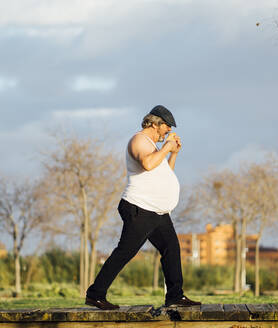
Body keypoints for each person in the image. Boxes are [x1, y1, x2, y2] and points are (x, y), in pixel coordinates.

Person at [85, 105, 201, 310]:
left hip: (156, 211)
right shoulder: (138, 140)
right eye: (167, 127)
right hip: (139, 208)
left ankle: (175, 296)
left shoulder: (155, 147)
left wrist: (173, 153)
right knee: (125, 251)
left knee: (171, 248)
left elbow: (163, 173)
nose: (168, 132)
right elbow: (147, 164)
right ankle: (95, 294)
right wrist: (166, 147)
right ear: (157, 124)